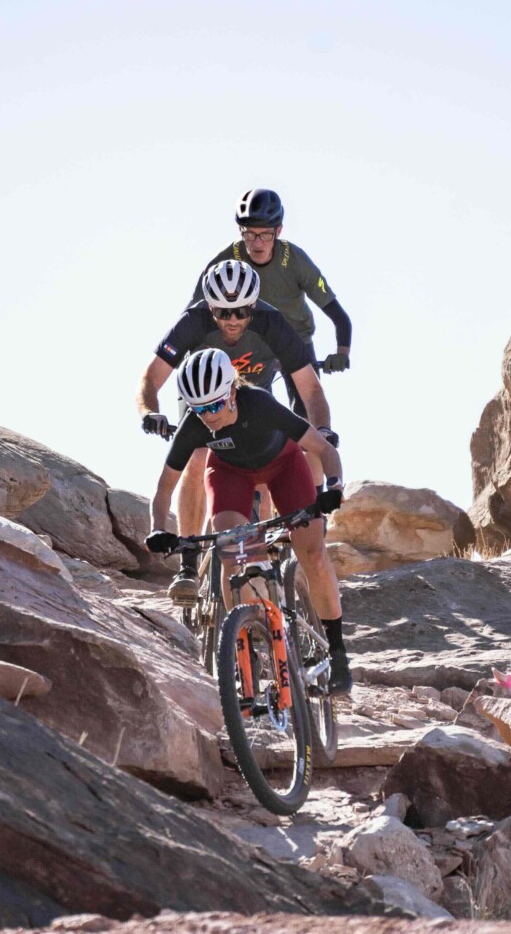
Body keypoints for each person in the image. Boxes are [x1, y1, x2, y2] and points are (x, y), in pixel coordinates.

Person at [144, 348, 353, 693]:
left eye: (214, 405)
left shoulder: (259, 403)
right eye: (199, 408)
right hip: (230, 474)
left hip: (284, 466)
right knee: (233, 551)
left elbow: (324, 449)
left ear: (231, 391)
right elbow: (165, 487)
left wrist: (334, 487)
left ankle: (337, 651)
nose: (208, 416)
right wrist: (157, 528)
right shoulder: (195, 425)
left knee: (313, 553)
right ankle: (245, 649)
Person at [139, 260, 332, 598]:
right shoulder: (193, 322)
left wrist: (324, 430)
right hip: (203, 396)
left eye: (241, 311)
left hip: (251, 397)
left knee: (271, 459)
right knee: (197, 456)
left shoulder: (272, 323)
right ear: (209, 307)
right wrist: (149, 412)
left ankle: (267, 566)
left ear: (253, 306)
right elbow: (151, 378)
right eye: (222, 312)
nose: (232, 320)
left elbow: (311, 390)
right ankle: (188, 562)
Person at [192, 189, 352, 375]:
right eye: (250, 234)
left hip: (296, 338)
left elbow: (340, 317)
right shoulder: (223, 263)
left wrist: (342, 353)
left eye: (266, 234)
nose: (257, 243)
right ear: (240, 231)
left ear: (278, 231)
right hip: (249, 344)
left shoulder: (296, 261)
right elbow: (192, 317)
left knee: (309, 393)